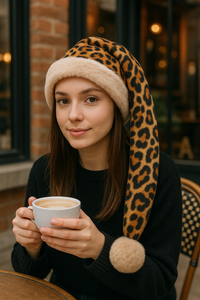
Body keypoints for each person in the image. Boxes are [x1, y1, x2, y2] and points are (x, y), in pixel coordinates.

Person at [11, 37, 182, 300]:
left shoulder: (158, 172)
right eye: (63, 101)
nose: (73, 115)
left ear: (116, 105)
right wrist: (31, 246)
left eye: (91, 99)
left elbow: (159, 284)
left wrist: (99, 248)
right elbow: (30, 277)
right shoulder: (45, 170)